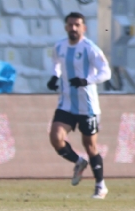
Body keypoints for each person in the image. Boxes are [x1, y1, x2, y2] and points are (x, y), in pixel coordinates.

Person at [47, 12, 111, 199]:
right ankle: (78, 161)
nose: (73, 28)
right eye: (70, 25)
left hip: (87, 106)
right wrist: (54, 76)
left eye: (77, 25)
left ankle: (101, 186)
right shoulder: (59, 46)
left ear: (84, 28)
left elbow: (106, 72)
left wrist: (86, 80)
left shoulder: (90, 48)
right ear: (66, 27)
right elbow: (56, 63)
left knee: (90, 145)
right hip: (66, 104)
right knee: (55, 137)